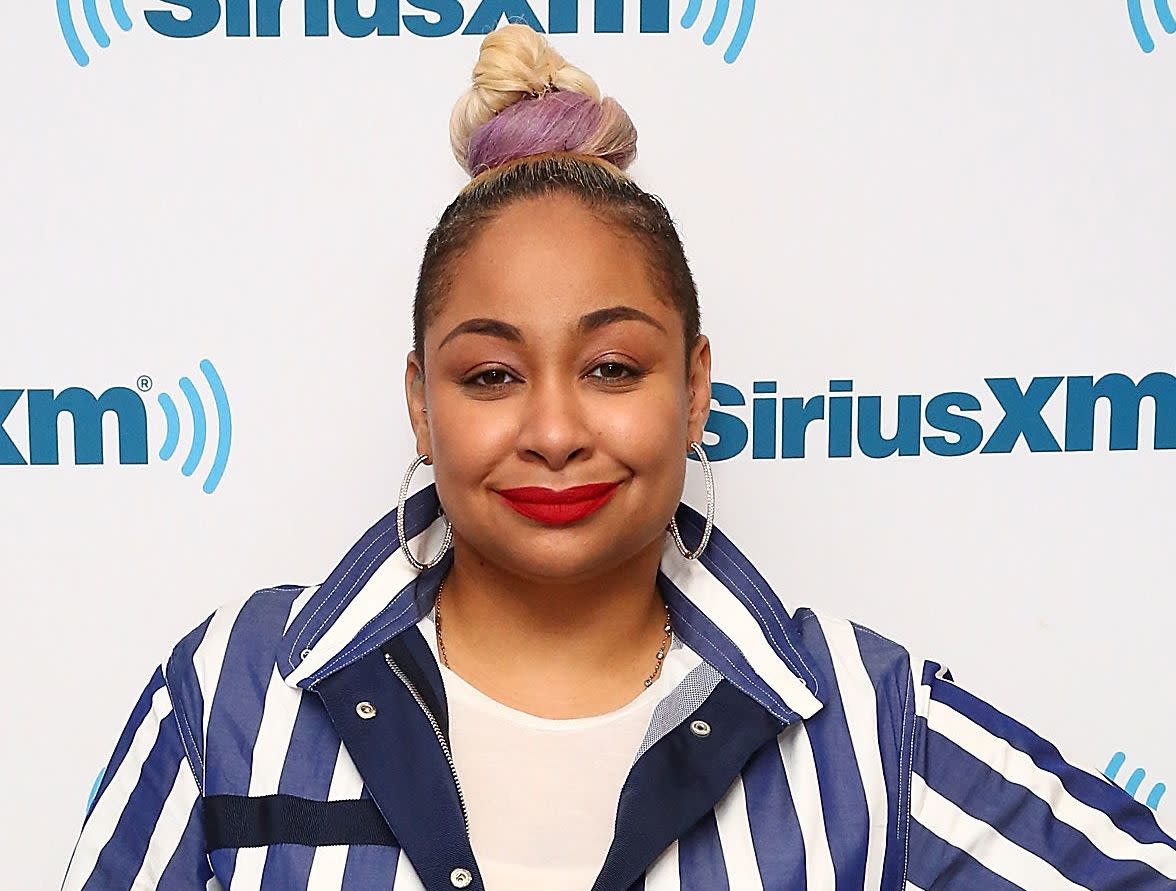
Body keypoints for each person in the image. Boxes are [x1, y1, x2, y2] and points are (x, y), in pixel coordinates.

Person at [61, 23, 1174, 891]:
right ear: (420, 404)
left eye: (612, 369)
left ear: (694, 391)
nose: (554, 431)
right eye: (492, 375)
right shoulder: (232, 697)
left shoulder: (864, 725)